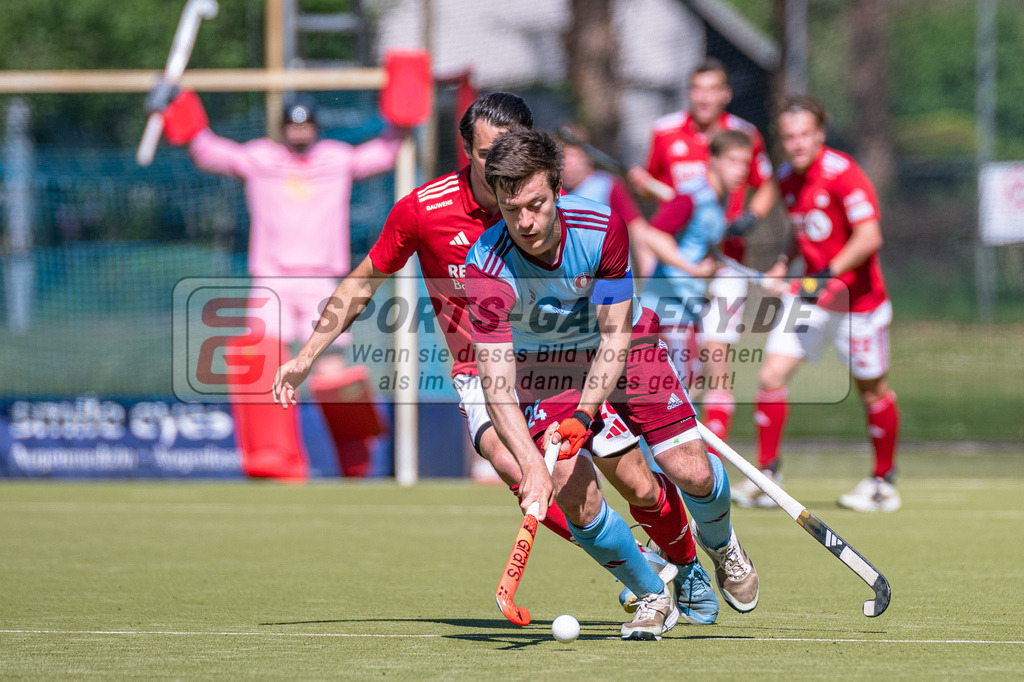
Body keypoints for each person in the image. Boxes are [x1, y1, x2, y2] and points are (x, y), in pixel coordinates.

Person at [269, 94, 718, 623]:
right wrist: (309, 353)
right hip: (479, 369)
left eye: (509, 152)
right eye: (485, 154)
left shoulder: (546, 203)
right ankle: (641, 576)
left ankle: (683, 559)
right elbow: (365, 278)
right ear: (466, 151)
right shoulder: (424, 209)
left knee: (638, 479)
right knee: (521, 467)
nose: (498, 167)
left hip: (567, 360)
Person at [465, 130, 759, 640]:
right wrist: (533, 465)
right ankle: (652, 595)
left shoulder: (601, 227)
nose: (526, 222)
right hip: (546, 365)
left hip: (624, 342)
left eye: (536, 204)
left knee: (686, 470)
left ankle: (722, 544)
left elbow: (614, 335)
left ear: (557, 187)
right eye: (513, 210)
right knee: (574, 490)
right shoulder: (484, 266)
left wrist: (584, 414)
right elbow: (495, 381)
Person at [151, 86, 407, 480]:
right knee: (262, 363)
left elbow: (387, 150)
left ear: (316, 127)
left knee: (332, 370)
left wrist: (404, 99)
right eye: (292, 126)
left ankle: (355, 460)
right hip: (271, 279)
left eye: (306, 126)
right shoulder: (260, 158)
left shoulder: (336, 159)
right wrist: (175, 105)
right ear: (282, 127)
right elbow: (207, 151)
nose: (299, 134)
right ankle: (273, 459)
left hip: (322, 279)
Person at [738, 94, 900, 512]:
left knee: (872, 390)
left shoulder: (844, 174)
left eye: (804, 135)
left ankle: (883, 482)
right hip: (813, 299)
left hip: (858, 304)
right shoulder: (788, 177)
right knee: (772, 375)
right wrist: (780, 264)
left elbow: (869, 236)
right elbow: (800, 231)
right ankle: (767, 477)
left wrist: (824, 274)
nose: (796, 143)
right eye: (789, 137)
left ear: (820, 134)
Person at [628, 58, 776, 450]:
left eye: (714, 89)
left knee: (709, 367)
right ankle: (667, 463)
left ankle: (706, 457)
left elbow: (767, 185)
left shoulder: (743, 135)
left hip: (714, 269)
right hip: (679, 283)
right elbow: (657, 221)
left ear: (726, 94)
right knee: (672, 382)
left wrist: (748, 218)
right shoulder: (666, 135)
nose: (741, 170)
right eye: (698, 88)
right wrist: (688, 264)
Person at [640, 130, 755, 396]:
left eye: (745, 163)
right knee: (672, 396)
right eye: (733, 161)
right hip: (665, 309)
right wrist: (692, 270)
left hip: (687, 308)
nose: (741, 170)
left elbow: (697, 242)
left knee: (690, 387)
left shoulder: (721, 197)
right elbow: (653, 235)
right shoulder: (693, 196)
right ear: (713, 160)